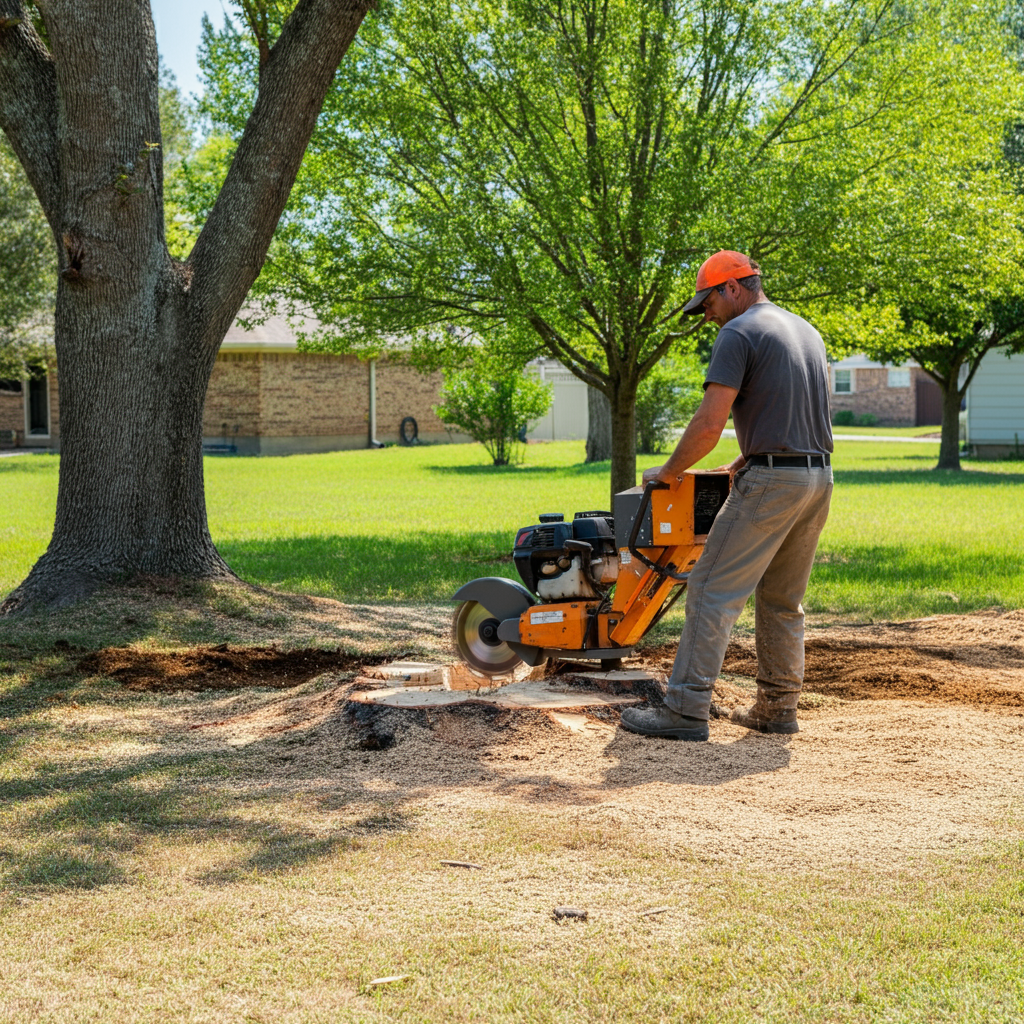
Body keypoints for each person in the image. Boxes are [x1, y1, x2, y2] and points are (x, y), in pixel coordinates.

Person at [619, 250, 833, 742]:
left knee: (710, 588)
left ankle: (685, 710)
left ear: (732, 287)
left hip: (774, 484)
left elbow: (709, 424)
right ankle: (777, 709)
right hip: (817, 478)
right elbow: (803, 412)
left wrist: (668, 472)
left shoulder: (737, 333)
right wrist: (746, 459)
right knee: (782, 600)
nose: (705, 314)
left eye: (707, 302)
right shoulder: (804, 330)